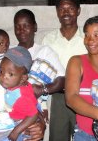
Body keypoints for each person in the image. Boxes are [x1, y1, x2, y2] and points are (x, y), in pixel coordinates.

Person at [14, 9, 65, 140]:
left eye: (26, 25)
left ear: (35, 27)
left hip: (36, 115)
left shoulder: (44, 51)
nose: (21, 30)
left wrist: (42, 90)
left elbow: (62, 80)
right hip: (13, 110)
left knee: (34, 134)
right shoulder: (11, 53)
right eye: (17, 27)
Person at [42, 0, 87, 140]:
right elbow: (42, 72)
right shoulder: (49, 39)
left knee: (85, 136)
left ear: (78, 11)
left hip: (83, 96)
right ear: (57, 12)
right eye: (62, 8)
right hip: (58, 98)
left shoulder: (87, 38)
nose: (66, 12)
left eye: (70, 8)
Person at [0, 46, 39, 141]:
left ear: (23, 78)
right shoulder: (18, 85)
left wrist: (16, 131)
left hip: (20, 125)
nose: (4, 77)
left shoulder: (21, 97)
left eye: (10, 74)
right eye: (1, 71)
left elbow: (33, 115)